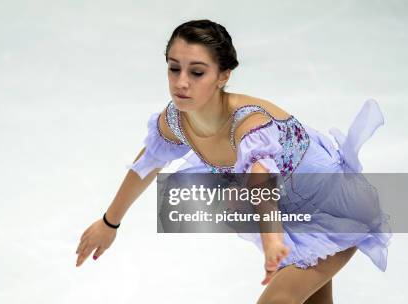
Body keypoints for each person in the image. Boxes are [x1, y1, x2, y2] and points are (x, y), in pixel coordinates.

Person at [75, 19, 391, 303]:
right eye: (174, 68)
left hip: (331, 208)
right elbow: (148, 161)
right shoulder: (176, 120)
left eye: (197, 72)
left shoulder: (248, 123)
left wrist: (271, 239)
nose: (181, 82)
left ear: (223, 75)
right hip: (287, 212)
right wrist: (109, 222)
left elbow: (260, 181)